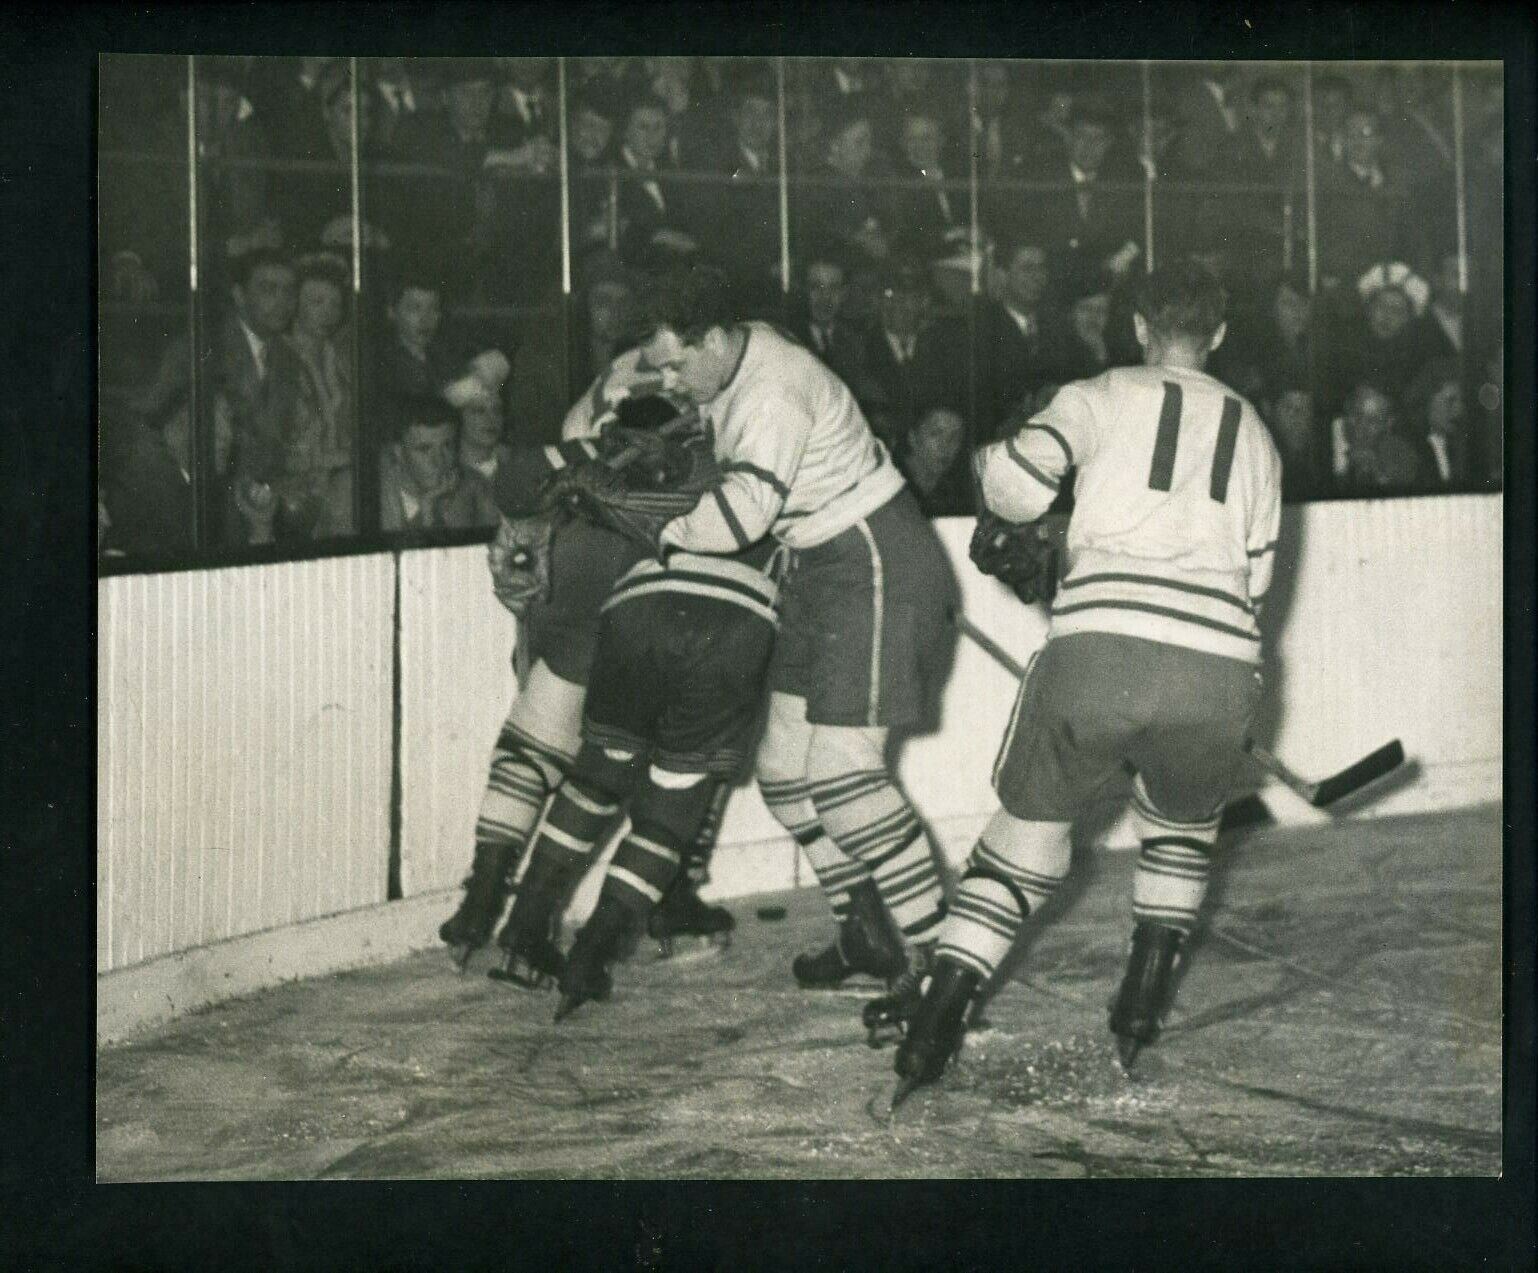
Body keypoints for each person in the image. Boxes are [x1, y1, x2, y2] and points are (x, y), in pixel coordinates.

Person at [890, 261, 1283, 1103]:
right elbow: (1254, 584)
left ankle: (932, 1031)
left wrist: (1000, 461)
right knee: (1183, 827)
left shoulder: (1100, 391)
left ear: (1139, 327)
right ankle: (1137, 1017)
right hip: (1219, 670)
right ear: (1217, 335)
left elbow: (1015, 488)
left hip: (1099, 656)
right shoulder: (1255, 430)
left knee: (1025, 841)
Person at [631, 262, 958, 1014]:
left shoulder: (771, 388)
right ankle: (866, 932)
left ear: (713, 340)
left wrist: (654, 522)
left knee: (845, 783)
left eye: (677, 364)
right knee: (783, 771)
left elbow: (741, 519)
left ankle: (944, 963)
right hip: (820, 562)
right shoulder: (741, 357)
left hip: (870, 558)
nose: (673, 383)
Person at [438, 358, 735, 972]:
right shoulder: (704, 450)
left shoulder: (595, 430)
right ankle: (663, 898)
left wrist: (585, 457)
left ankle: (484, 891)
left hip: (571, 597)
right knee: (657, 770)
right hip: (636, 612)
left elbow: (515, 482)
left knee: (531, 750)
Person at [487, 448, 779, 1019]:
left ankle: (525, 928)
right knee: (669, 813)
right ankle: (593, 953)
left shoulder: (656, 432)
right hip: (729, 618)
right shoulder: (777, 448)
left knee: (592, 785)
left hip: (636, 607)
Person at [378, 395, 499, 532]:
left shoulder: (474, 485)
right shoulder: (373, 496)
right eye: (424, 449)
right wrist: (426, 513)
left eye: (447, 446)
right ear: (399, 453)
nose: (439, 461)